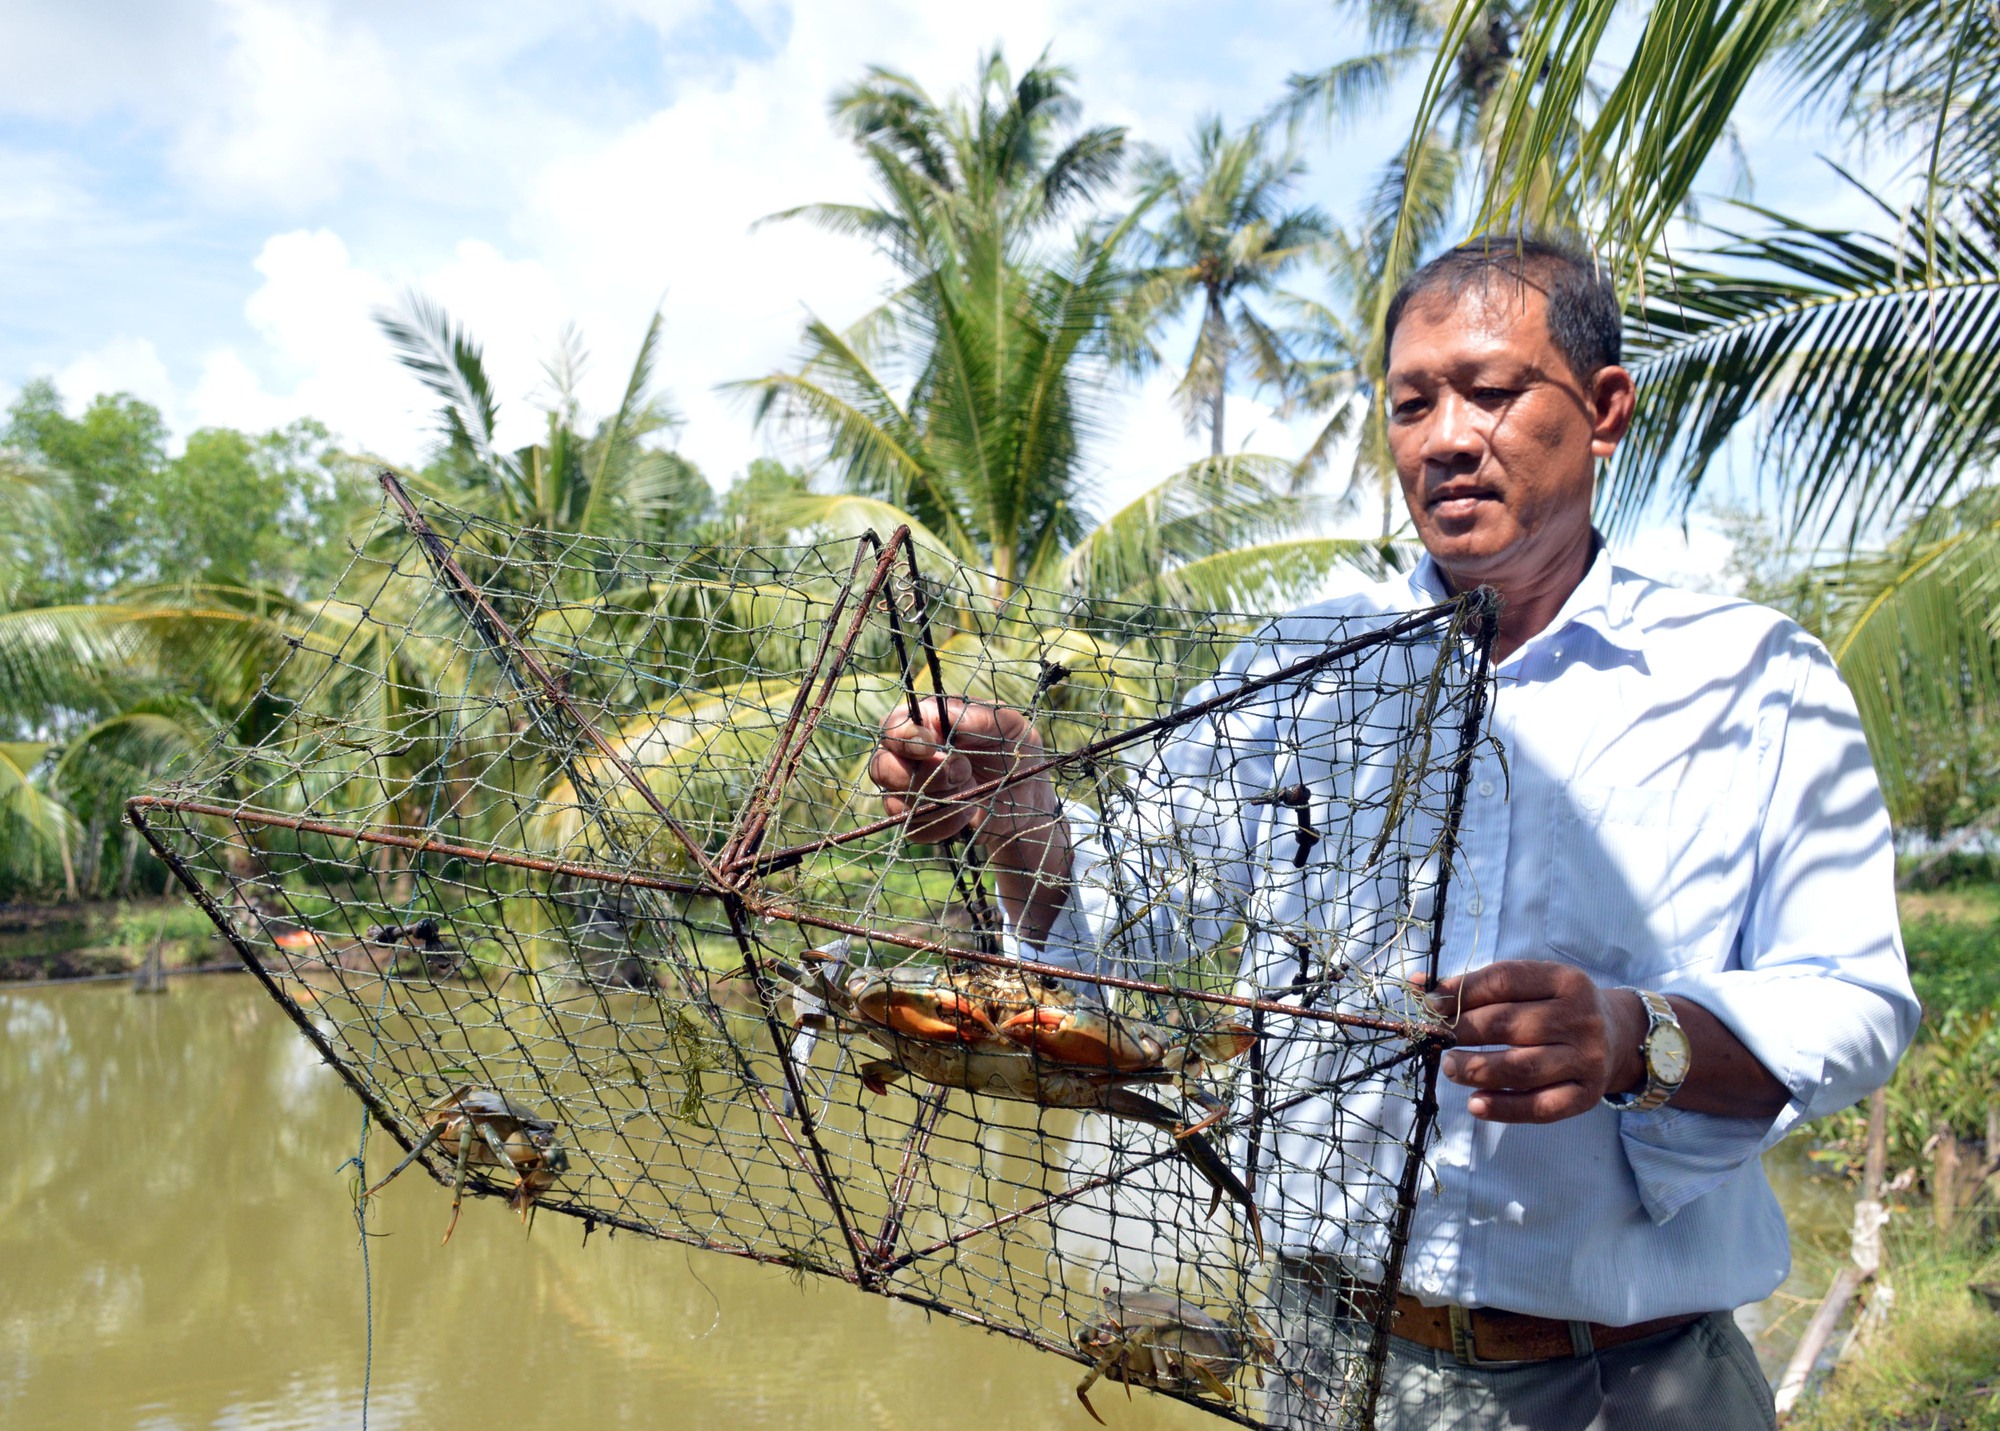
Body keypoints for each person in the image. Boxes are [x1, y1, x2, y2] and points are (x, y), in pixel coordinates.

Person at [865, 235, 1918, 1430]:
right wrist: (1020, 814)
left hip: (1624, 1378)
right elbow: (1135, 924)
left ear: (1604, 409)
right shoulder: (1299, 665)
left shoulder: (1750, 679)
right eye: (1411, 403)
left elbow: (1854, 999)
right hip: (1327, 1360)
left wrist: (1639, 1038)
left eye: (1491, 390)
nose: (1446, 436)